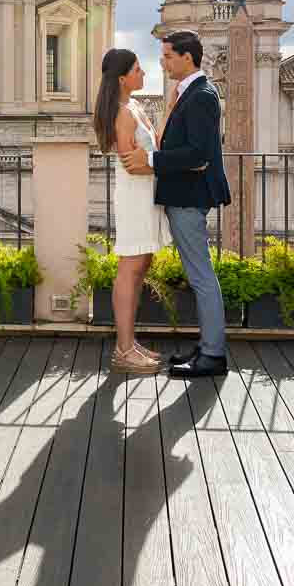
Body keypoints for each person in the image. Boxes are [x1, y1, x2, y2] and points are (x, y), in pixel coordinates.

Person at [121, 30, 231, 378]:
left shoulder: (201, 95)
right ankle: (207, 347)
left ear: (188, 57)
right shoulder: (191, 93)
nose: (162, 62)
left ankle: (213, 355)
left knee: (201, 277)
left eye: (168, 56)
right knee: (200, 275)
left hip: (188, 197)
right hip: (183, 195)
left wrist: (151, 161)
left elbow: (198, 154)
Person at [93, 48, 172, 375]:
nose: (144, 75)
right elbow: (132, 163)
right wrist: (167, 168)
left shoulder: (136, 106)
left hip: (148, 195)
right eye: (138, 70)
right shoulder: (122, 113)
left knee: (141, 266)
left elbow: (151, 153)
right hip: (135, 197)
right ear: (123, 77)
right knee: (130, 267)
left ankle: (130, 342)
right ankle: (123, 350)